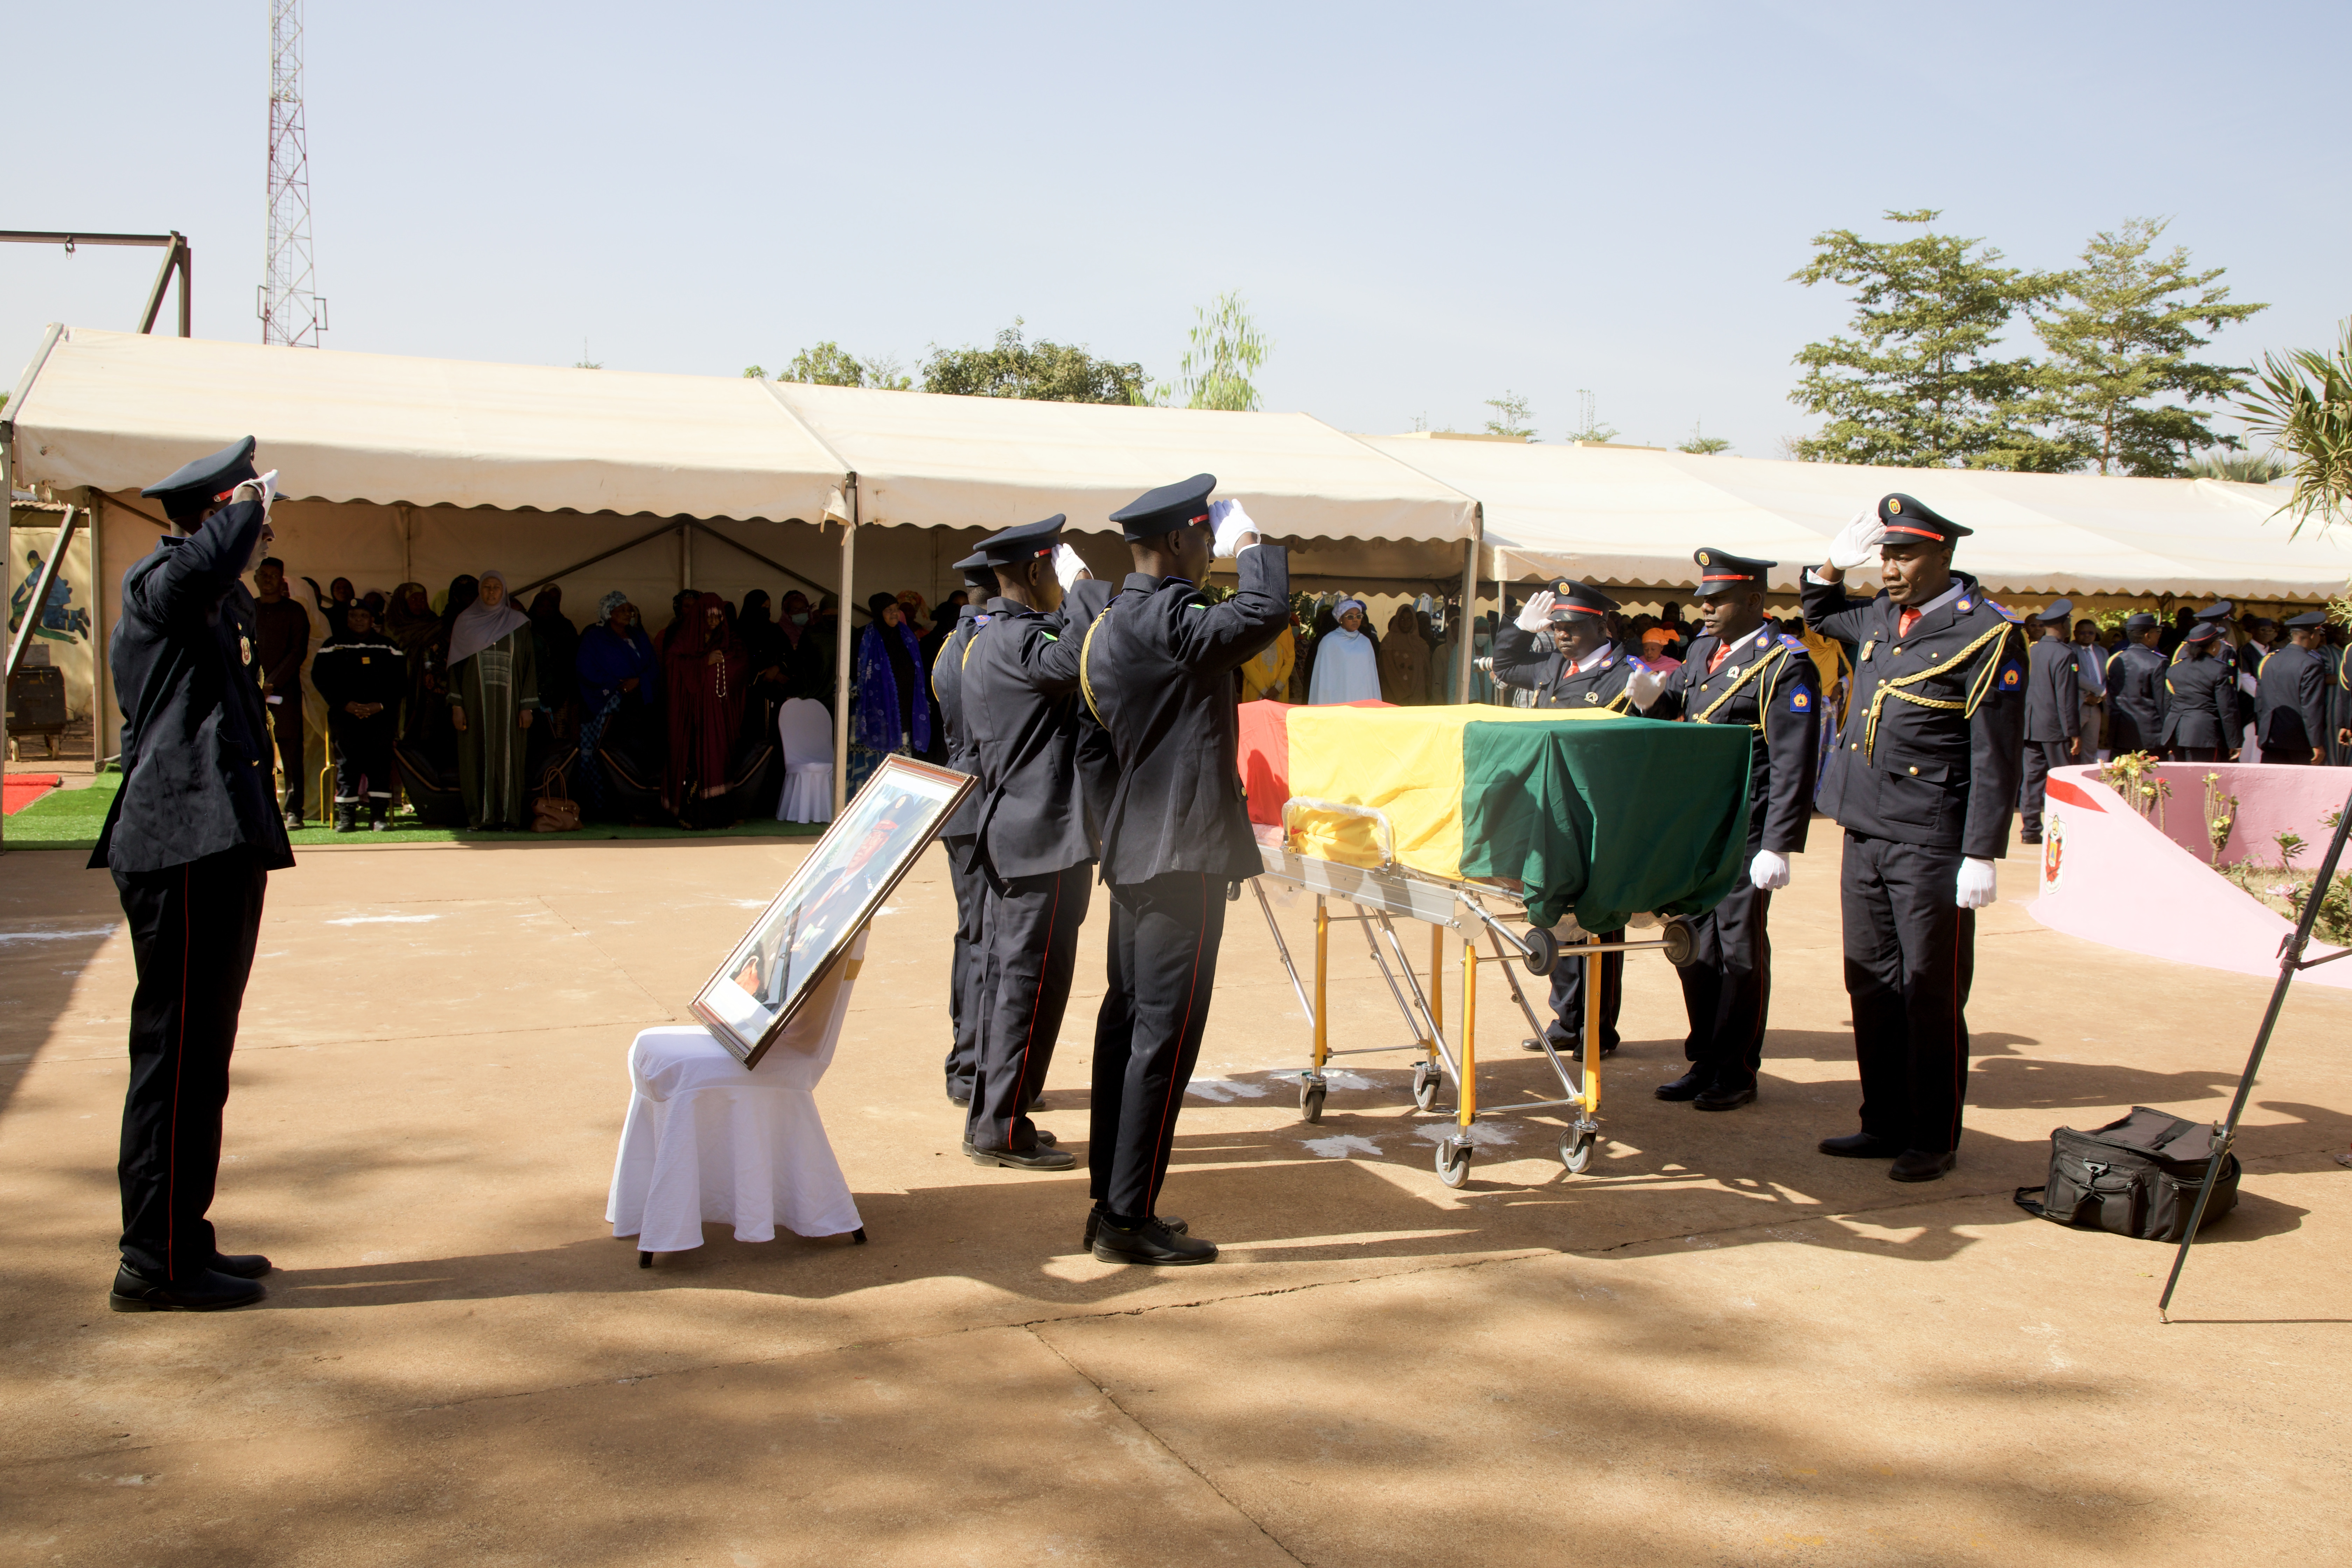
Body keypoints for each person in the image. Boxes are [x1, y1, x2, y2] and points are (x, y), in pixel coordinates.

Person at [1064, 475, 1287, 1265]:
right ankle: (1129, 1217)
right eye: (1209, 541)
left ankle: (1111, 1200)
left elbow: (1092, 748)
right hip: (1181, 855)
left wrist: (1119, 824)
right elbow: (1263, 613)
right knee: (1166, 1036)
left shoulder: (1110, 623)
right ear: (1188, 542)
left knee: (1127, 1024)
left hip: (1135, 848)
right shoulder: (1169, 614)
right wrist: (1256, 551)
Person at [95, 435, 291, 1312]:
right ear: (213, 514)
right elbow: (201, 566)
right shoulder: (160, 580)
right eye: (242, 505)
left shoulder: (215, 597)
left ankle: (184, 1236)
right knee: (174, 1057)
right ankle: (154, 1261)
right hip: (178, 844)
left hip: (215, 842)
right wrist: (246, 506)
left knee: (202, 1058)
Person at [1801, 492, 2028, 1184]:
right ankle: (1883, 1121)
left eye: (1905, 555)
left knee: (1928, 989)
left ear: (1945, 556)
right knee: (1870, 982)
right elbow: (1815, 615)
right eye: (1886, 555)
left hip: (1932, 839)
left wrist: (1983, 852)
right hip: (1865, 826)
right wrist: (1831, 566)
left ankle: (1933, 1134)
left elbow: (1997, 753)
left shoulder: (1987, 634)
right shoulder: (1877, 615)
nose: (1891, 568)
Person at [1629, 550, 1819, 1111]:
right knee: (1694, 948)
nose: (1705, 608)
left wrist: (1780, 843)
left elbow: (1793, 761)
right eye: (1703, 599)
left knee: (1738, 950)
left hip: (1749, 828)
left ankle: (1736, 1069)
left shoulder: (1786, 663)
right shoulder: (1701, 652)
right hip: (1698, 827)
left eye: (1719, 599)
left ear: (1756, 602)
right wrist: (1653, 705)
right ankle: (1704, 1057)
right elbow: (1687, 724)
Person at [958, 520, 1110, 1171]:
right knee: (1029, 985)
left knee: (1006, 982)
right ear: (1038, 571)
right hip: (1042, 840)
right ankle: (1003, 1127)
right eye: (1054, 570)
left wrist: (1066, 583)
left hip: (1015, 836)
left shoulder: (985, 642)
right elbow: (1092, 646)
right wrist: (1085, 584)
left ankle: (994, 1116)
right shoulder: (1025, 644)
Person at [1491, 579, 1653, 1058]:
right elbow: (1504, 667)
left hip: (1597, 817)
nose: (1562, 635)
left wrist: (1652, 702)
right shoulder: (1555, 666)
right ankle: (1568, 1021)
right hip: (1552, 813)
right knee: (1557, 916)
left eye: (1573, 627)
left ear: (1601, 625)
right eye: (1557, 627)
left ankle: (1599, 1028)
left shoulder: (1621, 672)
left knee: (1598, 923)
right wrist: (1518, 630)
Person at [931, 555, 997, 1107]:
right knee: (983, 942)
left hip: (961, 803)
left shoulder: (952, 644)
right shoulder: (983, 647)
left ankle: (969, 1061)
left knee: (972, 937)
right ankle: (972, 1068)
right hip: (983, 806)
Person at [446, 568, 538, 831]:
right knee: (475, 756)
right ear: (479, 591)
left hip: (510, 706)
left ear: (505, 591)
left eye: (496, 588)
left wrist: (527, 706)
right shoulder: (465, 622)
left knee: (509, 758)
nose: (491, 592)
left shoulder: (518, 623)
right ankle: (479, 818)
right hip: (475, 705)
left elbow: (529, 665)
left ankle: (509, 818)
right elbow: (455, 668)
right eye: (486, 587)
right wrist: (457, 706)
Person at [310, 599, 405, 831]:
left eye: (364, 616)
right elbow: (320, 679)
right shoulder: (332, 646)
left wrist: (380, 705)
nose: (359, 620)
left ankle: (378, 818)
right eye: (354, 616)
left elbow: (401, 682)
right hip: (345, 718)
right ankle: (347, 818)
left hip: (380, 718)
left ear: (373, 620)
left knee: (379, 765)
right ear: (347, 619)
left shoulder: (388, 647)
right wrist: (344, 704)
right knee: (347, 765)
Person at [664, 591, 748, 823]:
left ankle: (717, 817)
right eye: (708, 616)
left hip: (718, 715)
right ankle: (691, 817)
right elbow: (672, 664)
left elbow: (739, 664)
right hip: (691, 717)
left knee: (717, 760)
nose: (713, 622)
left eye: (717, 617)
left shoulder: (730, 639)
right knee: (694, 762)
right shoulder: (684, 637)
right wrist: (704, 662)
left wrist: (715, 664)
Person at [576, 590, 660, 816]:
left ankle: (635, 803)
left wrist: (638, 681)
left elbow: (653, 667)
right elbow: (586, 670)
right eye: (622, 609)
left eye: (630, 610)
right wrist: (616, 684)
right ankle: (604, 806)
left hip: (640, 701)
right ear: (609, 612)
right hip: (607, 703)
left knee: (639, 751)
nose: (628, 613)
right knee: (607, 753)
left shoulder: (639, 636)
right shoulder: (595, 636)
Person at [249, 555, 310, 830]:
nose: (268, 579)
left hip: (284, 692)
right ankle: (259, 808)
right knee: (253, 750)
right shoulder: (248, 609)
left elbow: (298, 651)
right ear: (255, 578)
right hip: (251, 692)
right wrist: (254, 683)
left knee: (291, 750)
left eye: (274, 575)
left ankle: (294, 811)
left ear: (282, 579)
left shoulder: (295, 611)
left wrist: (271, 682)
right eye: (264, 574)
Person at [849, 592, 929, 795]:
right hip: (873, 710)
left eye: (896, 609)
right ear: (878, 613)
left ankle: (898, 799)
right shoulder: (863, 637)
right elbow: (853, 671)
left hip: (903, 709)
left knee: (901, 756)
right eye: (889, 610)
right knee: (874, 760)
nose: (895, 614)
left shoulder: (907, 636)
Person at [2016, 601, 2080, 847]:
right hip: (2055, 728)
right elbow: (2066, 698)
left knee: (2032, 780)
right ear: (2065, 625)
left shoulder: (2032, 651)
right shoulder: (2065, 654)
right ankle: (2067, 825)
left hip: (2031, 725)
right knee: (2064, 779)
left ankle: (2030, 830)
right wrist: (2073, 732)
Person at [2255, 611, 2330, 765]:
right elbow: (2311, 707)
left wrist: (2262, 733)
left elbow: (2260, 701)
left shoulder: (2270, 660)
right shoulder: (2311, 664)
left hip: (2271, 737)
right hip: (2300, 740)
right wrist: (2317, 743)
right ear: (2312, 635)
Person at [2161, 622, 2239, 762]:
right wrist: (2234, 742)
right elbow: (2227, 709)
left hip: (2176, 732)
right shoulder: (2219, 670)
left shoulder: (2175, 668)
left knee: (2184, 779)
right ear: (2214, 645)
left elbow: (2168, 703)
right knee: (2205, 779)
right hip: (2204, 734)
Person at [2102, 613, 2168, 757]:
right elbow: (2163, 704)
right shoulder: (2158, 663)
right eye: (2157, 632)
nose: (2159, 636)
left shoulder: (2117, 660)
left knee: (2123, 778)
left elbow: (2113, 700)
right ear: (2147, 636)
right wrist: (2170, 738)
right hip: (2151, 737)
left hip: (2121, 734)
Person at [526, 586, 581, 742]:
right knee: (533, 735)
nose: (546, 610)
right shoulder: (527, 629)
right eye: (542, 606)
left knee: (558, 737)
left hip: (560, 692)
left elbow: (574, 659)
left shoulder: (566, 627)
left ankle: (556, 767)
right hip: (531, 693)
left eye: (550, 606)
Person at [1306, 598, 1381, 703]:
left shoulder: (1366, 643)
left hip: (1363, 696)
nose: (1355, 620)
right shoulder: (1329, 642)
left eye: (1359, 616)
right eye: (1350, 616)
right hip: (1337, 697)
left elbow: (1372, 679)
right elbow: (1324, 678)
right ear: (1341, 619)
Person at [1377, 602, 1431, 703]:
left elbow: (1426, 673)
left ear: (1414, 622)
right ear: (1397, 620)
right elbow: (1388, 671)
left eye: (1409, 620)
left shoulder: (1421, 644)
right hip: (1396, 697)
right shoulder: (1389, 642)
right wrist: (1403, 693)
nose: (1406, 623)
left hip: (1418, 696)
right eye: (1402, 619)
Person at [2071, 618, 2108, 762]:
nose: (2087, 636)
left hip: (2096, 706)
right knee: (2072, 748)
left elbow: (2106, 675)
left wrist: (2099, 697)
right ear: (2075, 633)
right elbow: (2076, 674)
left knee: (2090, 749)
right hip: (2079, 705)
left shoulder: (2102, 652)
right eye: (2083, 633)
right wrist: (2101, 691)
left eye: (2091, 633)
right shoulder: (2069, 650)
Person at [1240, 611, 1296, 702]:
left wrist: (1278, 687)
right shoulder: (1250, 627)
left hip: (1278, 693)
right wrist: (1264, 690)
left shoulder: (1285, 628)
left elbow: (1290, 659)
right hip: (1254, 691)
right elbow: (1246, 662)